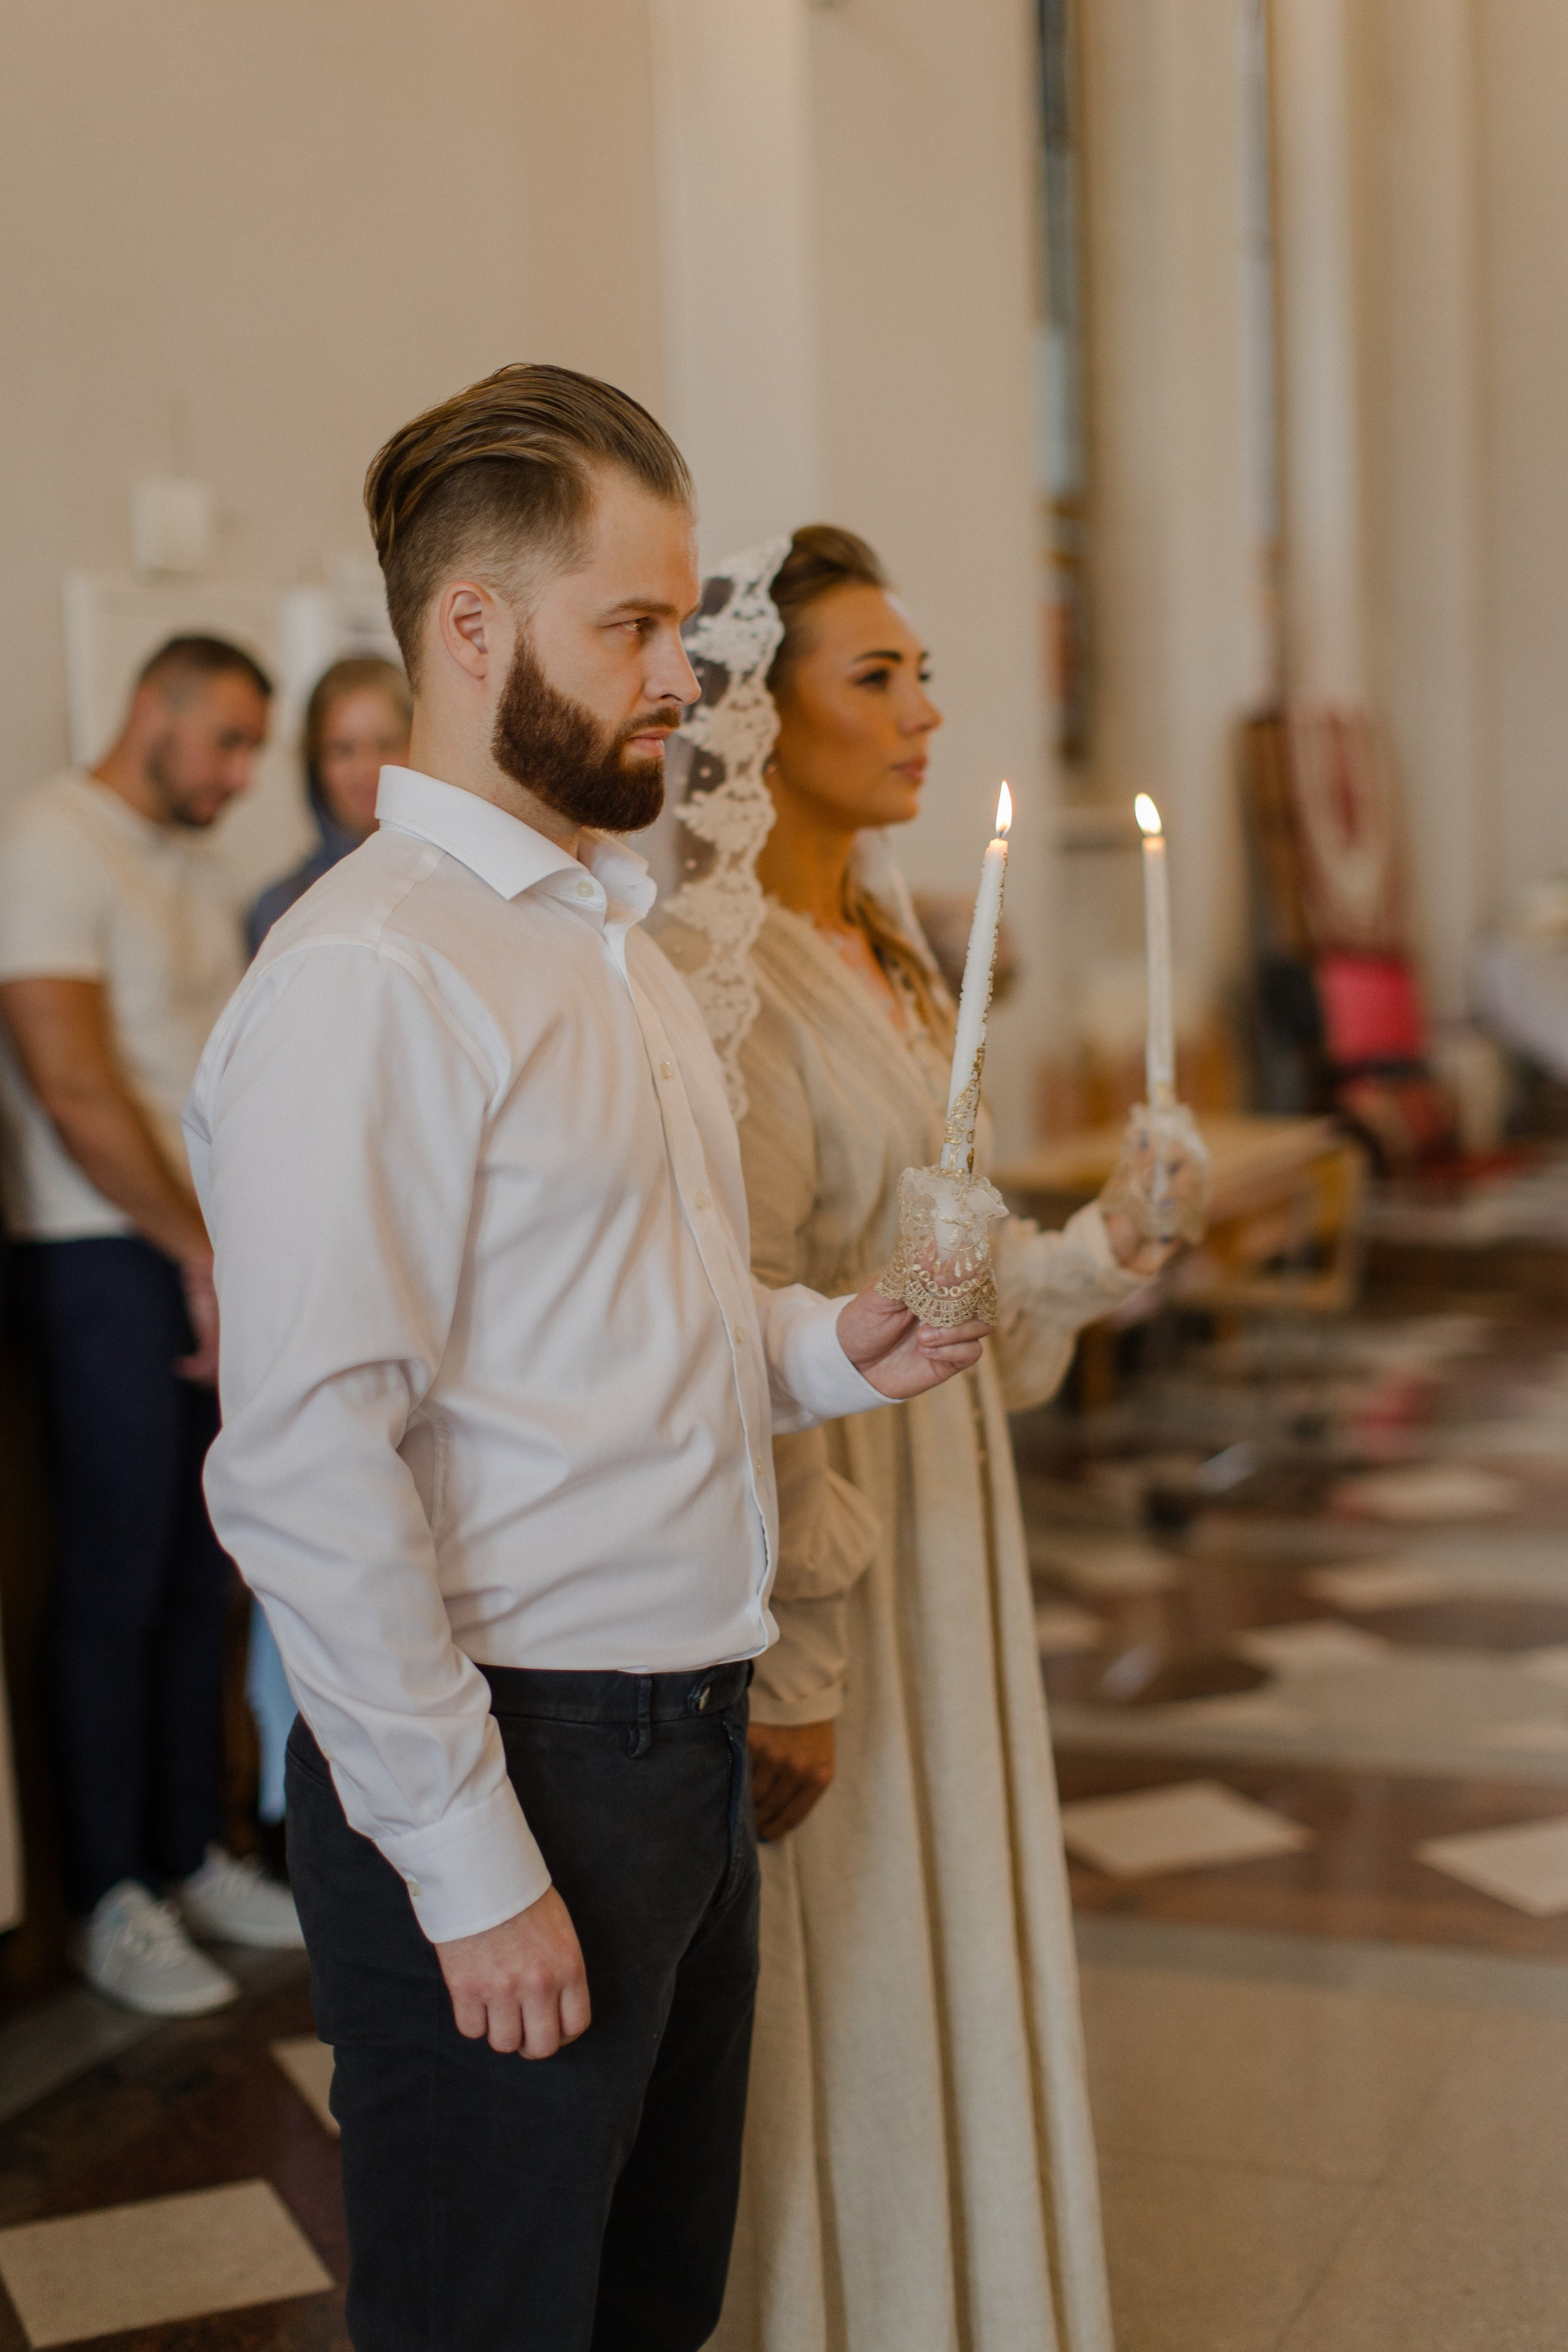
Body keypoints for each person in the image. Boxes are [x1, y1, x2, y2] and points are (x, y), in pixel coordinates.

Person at [184, 364, 987, 2352]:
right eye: (630, 627)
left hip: (673, 1749)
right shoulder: (375, 975)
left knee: (642, 2312)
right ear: (472, 632)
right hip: (522, 1748)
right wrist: (467, 1867)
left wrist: (827, 1348)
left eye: (676, 625)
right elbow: (309, 1471)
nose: (678, 681)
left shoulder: (603, 941)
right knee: (495, 2317)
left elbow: (635, 1332)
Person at [656, 531, 1179, 2352]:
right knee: (857, 1953)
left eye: (921, 670)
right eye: (874, 676)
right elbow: (749, 1320)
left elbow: (942, 1271)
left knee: (940, 1929)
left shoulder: (876, 942)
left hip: (946, 1520)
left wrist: (1101, 1247)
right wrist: (795, 1646)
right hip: (840, 1548)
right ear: (751, 709)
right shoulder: (716, 985)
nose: (925, 711)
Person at [0, 635, 306, 2019]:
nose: (240, 775)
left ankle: (193, 1849)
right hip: (98, 1260)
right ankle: (110, 1895)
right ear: (155, 709)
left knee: (207, 1566)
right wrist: (193, 1250)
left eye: (254, 748)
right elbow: (69, 1083)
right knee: (117, 1578)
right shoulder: (52, 842)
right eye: (228, 741)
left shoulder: (186, 867)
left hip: (198, 1258)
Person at [244, 655, 413, 1852]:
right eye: (338, 750)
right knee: (322, 1515)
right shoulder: (285, 909)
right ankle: (305, 1805)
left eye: (379, 741)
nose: (361, 771)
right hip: (327, 1235)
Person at [246, 655, 411, 952]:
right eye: (343, 750)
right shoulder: (284, 907)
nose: (367, 770)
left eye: (386, 744)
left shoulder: (459, 887)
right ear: (315, 764)